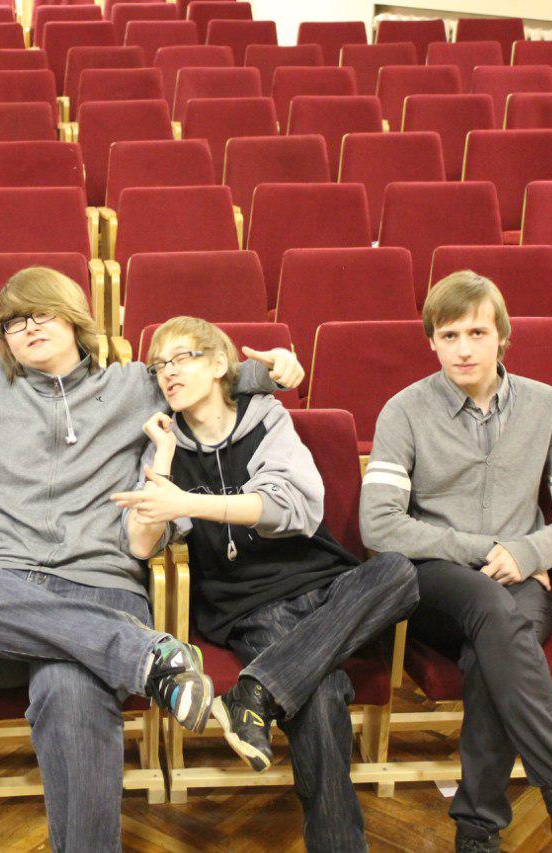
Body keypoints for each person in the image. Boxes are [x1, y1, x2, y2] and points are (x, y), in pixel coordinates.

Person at [0, 267, 305, 851]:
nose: (27, 327)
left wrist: (277, 370)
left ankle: (129, 659)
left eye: (41, 313)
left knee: (69, 685)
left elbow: (220, 376)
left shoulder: (133, 386)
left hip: (100, 586)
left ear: (74, 318)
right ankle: (145, 657)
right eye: (13, 322)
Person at [112, 316, 418, 851]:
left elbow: (292, 509)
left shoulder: (267, 418)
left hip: (323, 581)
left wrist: (190, 503)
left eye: (182, 358)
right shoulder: (162, 443)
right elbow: (141, 544)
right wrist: (162, 461)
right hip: (251, 605)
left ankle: (257, 689)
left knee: (399, 572)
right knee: (320, 693)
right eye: (159, 365)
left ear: (218, 364)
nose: (168, 372)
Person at [359, 272, 552, 853]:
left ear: (502, 336)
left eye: (477, 333)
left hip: (521, 577)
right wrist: (489, 549)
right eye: (449, 335)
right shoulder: (403, 410)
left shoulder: (544, 404)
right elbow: (378, 525)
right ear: (432, 342)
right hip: (436, 579)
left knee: (495, 651)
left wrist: (529, 552)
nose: (463, 348)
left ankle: (478, 833)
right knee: (493, 611)